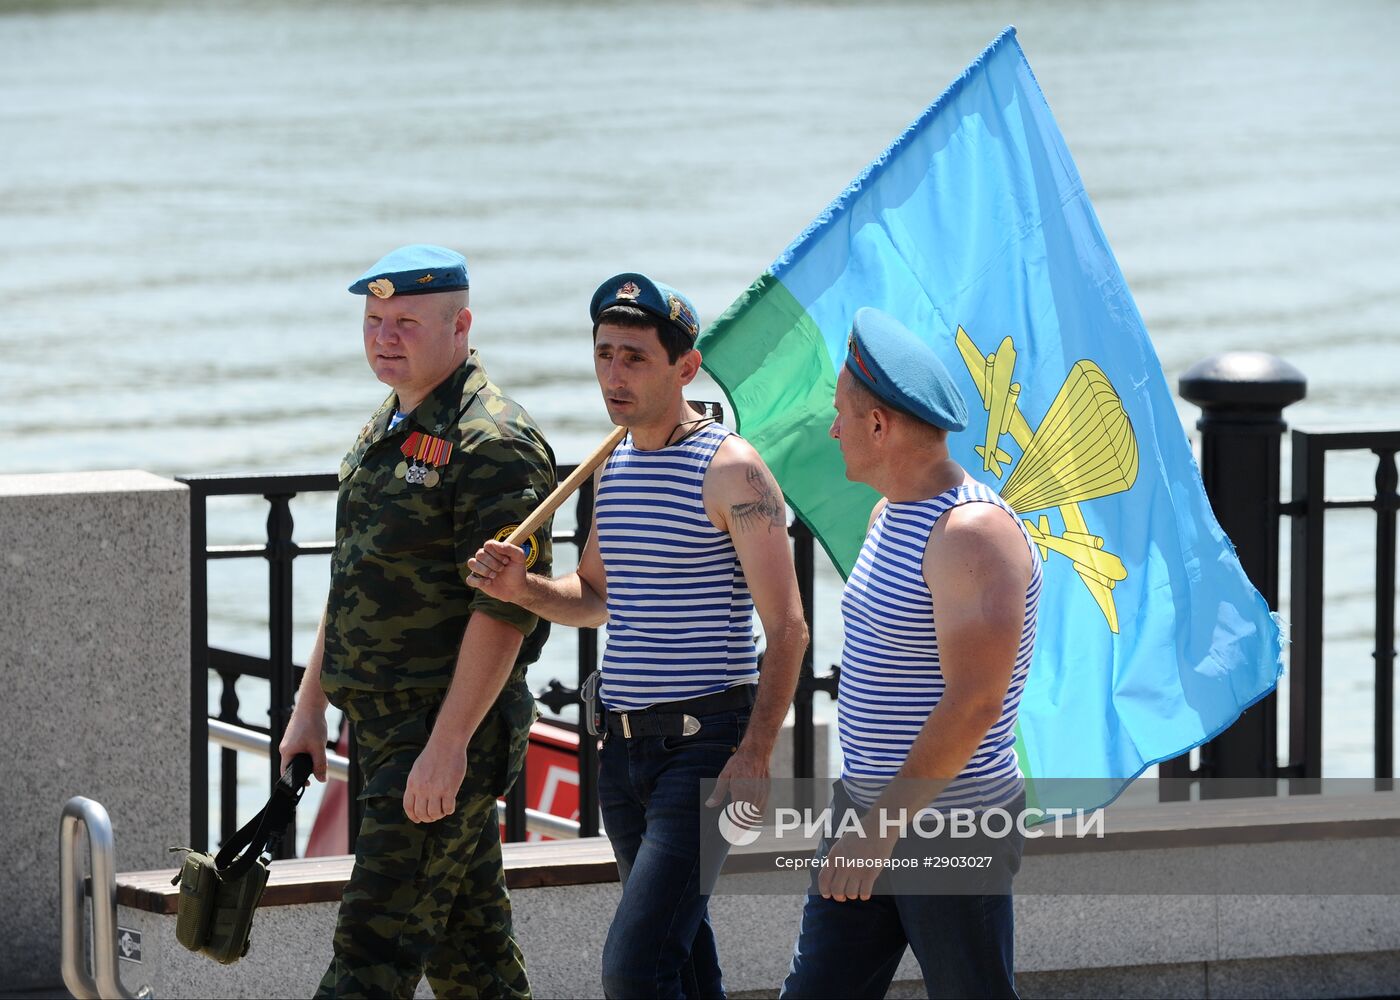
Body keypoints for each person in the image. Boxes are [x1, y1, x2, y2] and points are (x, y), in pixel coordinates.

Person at [468, 272, 808, 998]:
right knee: (682, 961)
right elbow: (594, 596)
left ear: (685, 367)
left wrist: (756, 753)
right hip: (621, 755)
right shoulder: (612, 465)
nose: (613, 376)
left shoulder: (733, 471)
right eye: (603, 354)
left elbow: (788, 628)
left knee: (633, 966)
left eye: (635, 358)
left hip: (704, 751)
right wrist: (518, 587)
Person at [279, 244, 556, 999]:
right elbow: (351, 583)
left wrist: (447, 747)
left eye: (405, 322)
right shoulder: (388, 425)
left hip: (439, 733)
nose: (383, 337)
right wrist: (310, 709)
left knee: (370, 959)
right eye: (373, 321)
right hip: (385, 730)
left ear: (460, 325)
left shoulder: (493, 443)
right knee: (475, 965)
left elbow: (503, 613)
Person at [781, 308, 1042, 1000]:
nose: (833, 428)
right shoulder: (888, 513)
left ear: (878, 426)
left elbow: (976, 702)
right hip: (866, 810)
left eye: (841, 413)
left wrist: (876, 834)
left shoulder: (972, 535)